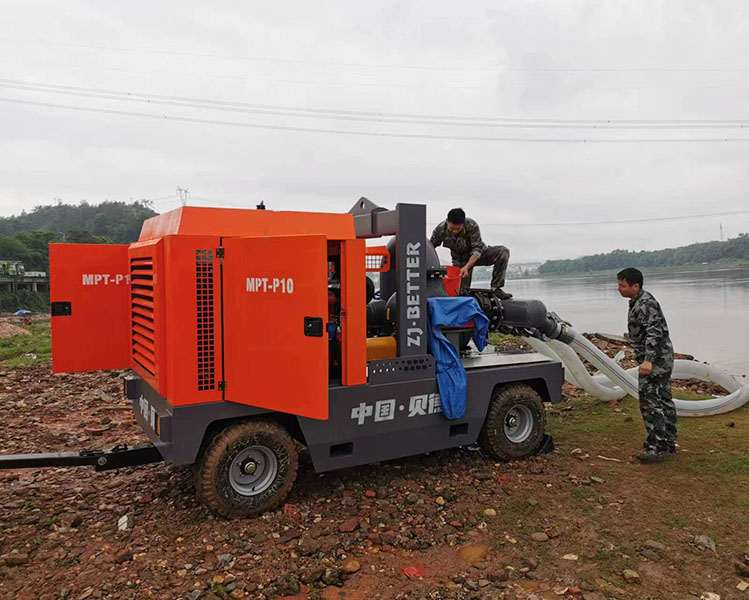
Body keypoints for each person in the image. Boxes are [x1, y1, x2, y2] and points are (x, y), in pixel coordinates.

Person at [617, 267, 677, 462]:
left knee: (651, 402)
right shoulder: (638, 301)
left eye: (622, 285)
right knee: (663, 398)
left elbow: (654, 332)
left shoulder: (645, 303)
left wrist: (648, 361)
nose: (619, 288)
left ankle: (657, 446)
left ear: (636, 286)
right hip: (660, 358)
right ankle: (667, 441)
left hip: (656, 360)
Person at [430, 208, 512, 299]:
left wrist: (467, 266)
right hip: (461, 260)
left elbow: (477, 249)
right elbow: (431, 247)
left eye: (458, 229)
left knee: (503, 252)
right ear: (447, 221)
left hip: (480, 254)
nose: (455, 231)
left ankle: (496, 288)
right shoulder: (440, 230)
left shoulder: (472, 225)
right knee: (460, 293)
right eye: (452, 228)